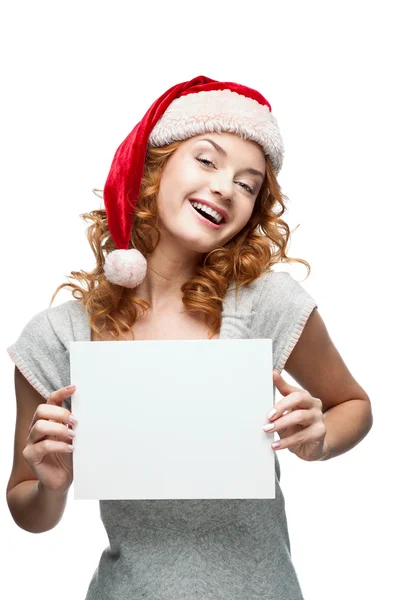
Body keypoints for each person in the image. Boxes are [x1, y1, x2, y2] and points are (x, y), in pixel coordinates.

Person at [6, 75, 373, 599]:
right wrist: (50, 483)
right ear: (152, 168)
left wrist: (321, 439)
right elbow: (29, 510)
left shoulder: (267, 304)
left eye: (248, 184)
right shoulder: (58, 336)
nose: (227, 187)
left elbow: (353, 404)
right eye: (207, 160)